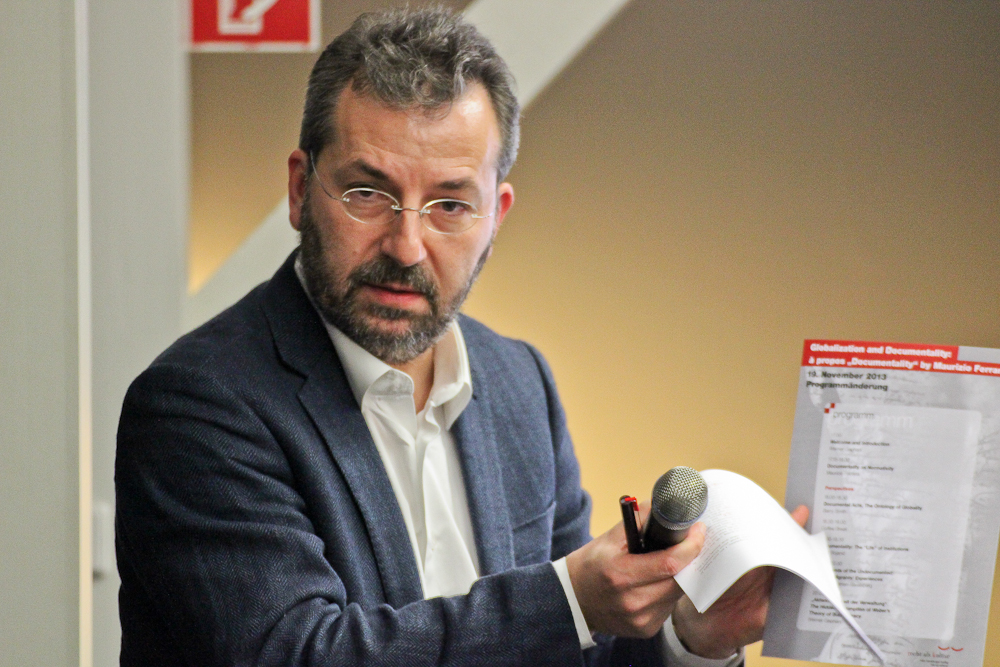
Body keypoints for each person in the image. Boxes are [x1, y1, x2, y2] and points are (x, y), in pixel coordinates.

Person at [115, 7, 806, 666]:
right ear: (300, 191)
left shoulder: (519, 382)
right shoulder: (198, 403)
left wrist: (694, 641)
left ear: (495, 217)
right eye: (367, 194)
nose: (407, 245)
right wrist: (568, 598)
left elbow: (576, 652)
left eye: (449, 204)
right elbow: (295, 651)